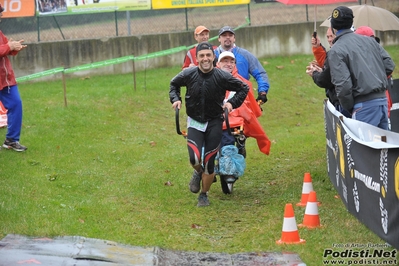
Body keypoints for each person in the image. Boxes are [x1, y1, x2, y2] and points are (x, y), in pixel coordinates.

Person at [169, 42, 249, 207]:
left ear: (213, 57)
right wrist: (176, 99)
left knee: (210, 163)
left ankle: (204, 195)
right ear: (197, 59)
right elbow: (173, 84)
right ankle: (198, 172)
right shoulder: (189, 74)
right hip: (195, 122)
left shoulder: (222, 76)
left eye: (208, 55)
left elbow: (243, 88)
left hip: (214, 122)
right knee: (195, 158)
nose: (205, 59)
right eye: (201, 56)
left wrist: (231, 103)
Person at [328, 6, 395, 130]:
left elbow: (343, 85)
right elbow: (389, 65)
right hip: (382, 102)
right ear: (351, 23)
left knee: (364, 148)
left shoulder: (336, 50)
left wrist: (349, 107)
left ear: (333, 27)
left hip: (363, 106)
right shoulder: (370, 41)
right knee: (384, 148)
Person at [216, 51, 271, 188]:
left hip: (236, 120)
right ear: (218, 63)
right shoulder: (210, 79)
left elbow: (251, 105)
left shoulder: (243, 82)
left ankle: (232, 164)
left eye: (231, 62)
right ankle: (205, 169)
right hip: (215, 118)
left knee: (231, 135)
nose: (228, 64)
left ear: (235, 64)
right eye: (225, 61)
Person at [214, 26, 270, 105]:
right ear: (219, 38)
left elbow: (260, 73)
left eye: (230, 35)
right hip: (217, 100)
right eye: (224, 35)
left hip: (243, 99)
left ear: (234, 38)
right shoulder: (212, 56)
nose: (227, 37)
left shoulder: (245, 55)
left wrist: (262, 92)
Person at [0, 4, 28, 152]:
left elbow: (5, 47)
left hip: (6, 80)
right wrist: (8, 47)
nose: (0, 17)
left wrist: (14, 47)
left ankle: (11, 140)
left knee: (16, 104)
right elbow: (4, 48)